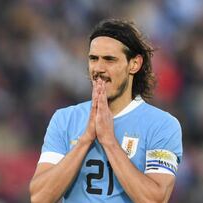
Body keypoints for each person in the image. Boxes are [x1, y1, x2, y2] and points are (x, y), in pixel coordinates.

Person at [30, 19, 183, 203]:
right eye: (93, 58)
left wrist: (109, 141)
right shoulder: (64, 119)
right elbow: (39, 197)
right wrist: (85, 139)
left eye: (110, 59)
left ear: (134, 64)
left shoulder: (162, 125)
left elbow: (155, 200)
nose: (99, 68)